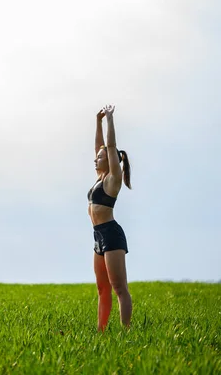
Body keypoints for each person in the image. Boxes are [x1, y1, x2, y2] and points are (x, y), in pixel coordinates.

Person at [87, 104, 132, 331]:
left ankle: (126, 332)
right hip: (98, 236)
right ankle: (101, 333)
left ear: (111, 159)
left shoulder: (113, 179)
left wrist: (110, 120)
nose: (96, 159)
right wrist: (97, 122)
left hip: (111, 236)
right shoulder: (99, 175)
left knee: (119, 288)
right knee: (102, 288)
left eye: (101, 157)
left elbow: (110, 146)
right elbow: (101, 146)